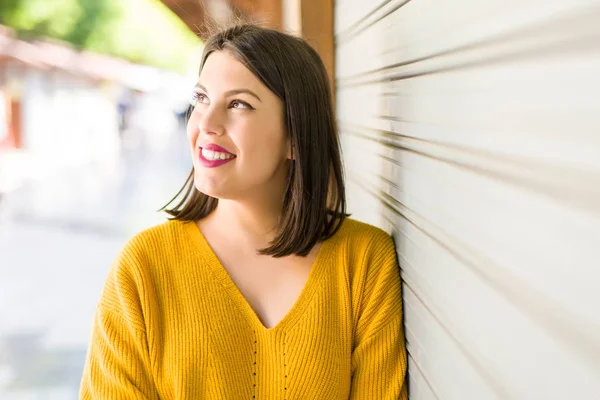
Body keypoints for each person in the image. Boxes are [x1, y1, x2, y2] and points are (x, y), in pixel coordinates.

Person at [79, 24, 407, 399]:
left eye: (238, 104)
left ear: (295, 137)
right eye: (201, 98)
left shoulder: (364, 262)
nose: (206, 123)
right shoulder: (143, 268)